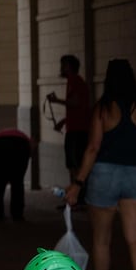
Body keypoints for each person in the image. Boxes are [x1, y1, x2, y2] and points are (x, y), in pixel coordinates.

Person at [64, 59, 136, 270]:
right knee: (135, 238)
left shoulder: (103, 109)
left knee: (102, 239)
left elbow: (93, 147)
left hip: (105, 174)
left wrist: (78, 182)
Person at [47, 55, 92, 196]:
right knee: (74, 164)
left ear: (69, 66)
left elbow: (76, 103)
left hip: (77, 131)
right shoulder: (75, 82)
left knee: (75, 165)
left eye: (63, 65)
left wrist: (56, 100)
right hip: (77, 128)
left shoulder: (75, 81)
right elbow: (78, 107)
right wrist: (63, 121)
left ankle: (78, 196)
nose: (61, 68)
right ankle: (76, 195)